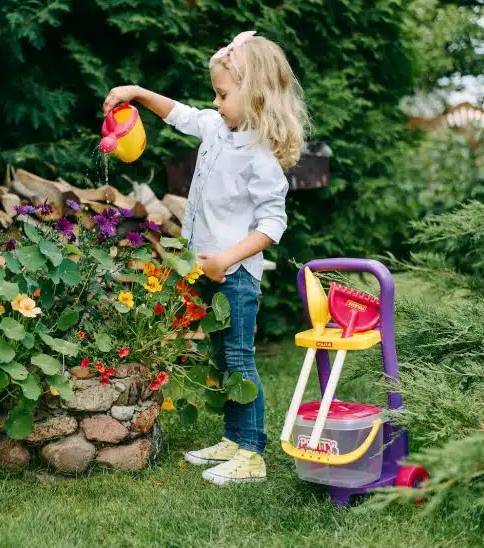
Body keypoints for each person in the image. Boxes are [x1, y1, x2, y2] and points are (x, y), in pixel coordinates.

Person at [102, 31, 308, 485]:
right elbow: (177, 114)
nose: (215, 103)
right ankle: (234, 440)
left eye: (223, 94)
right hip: (207, 268)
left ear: (255, 95)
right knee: (221, 359)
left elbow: (273, 225)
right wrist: (135, 93)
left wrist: (226, 260)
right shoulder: (217, 128)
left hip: (234, 276)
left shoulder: (261, 157)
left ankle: (253, 453)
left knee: (239, 359)